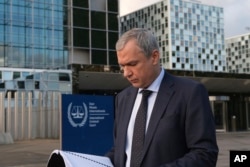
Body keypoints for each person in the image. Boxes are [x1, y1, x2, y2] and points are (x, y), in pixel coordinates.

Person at [106, 28, 218, 167]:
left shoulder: (190, 93)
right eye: (122, 66)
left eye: (132, 64)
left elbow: (205, 154)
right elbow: (121, 150)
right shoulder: (123, 98)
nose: (126, 73)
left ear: (154, 57)